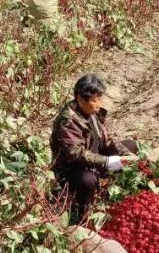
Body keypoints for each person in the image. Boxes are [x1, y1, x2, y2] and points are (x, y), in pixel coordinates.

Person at [50, 74, 137, 223]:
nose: (98, 104)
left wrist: (125, 155)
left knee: (130, 145)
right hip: (72, 168)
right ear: (80, 99)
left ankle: (112, 187)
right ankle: (82, 213)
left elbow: (106, 140)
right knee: (87, 180)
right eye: (94, 100)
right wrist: (106, 161)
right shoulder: (67, 121)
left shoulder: (92, 113)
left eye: (100, 99)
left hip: (94, 159)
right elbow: (75, 153)